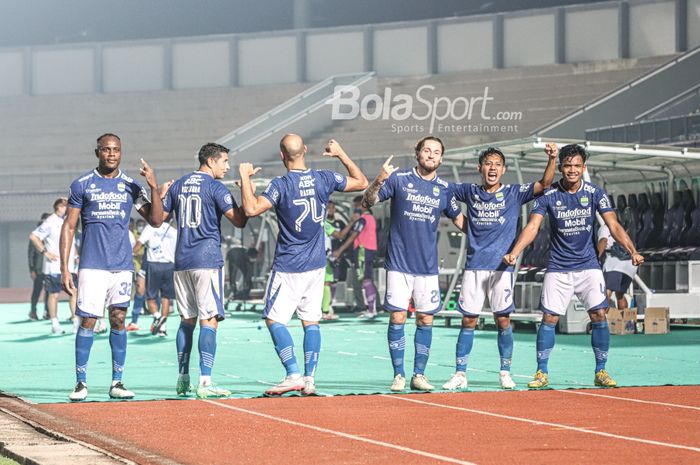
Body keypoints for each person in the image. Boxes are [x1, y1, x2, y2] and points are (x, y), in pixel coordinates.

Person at [503, 144, 644, 389]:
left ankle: (601, 371)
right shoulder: (548, 195)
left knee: (599, 314)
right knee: (549, 318)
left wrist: (632, 250)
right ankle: (541, 372)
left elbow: (613, 226)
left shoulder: (595, 193)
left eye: (577, 166)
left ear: (583, 168)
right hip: (558, 267)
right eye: (567, 166)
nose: (572, 170)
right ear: (560, 168)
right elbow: (533, 227)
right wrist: (515, 251)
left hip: (588, 266)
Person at [239, 135, 367, 396]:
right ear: (305, 150)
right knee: (311, 322)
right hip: (317, 263)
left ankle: (293, 374)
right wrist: (340, 153)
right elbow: (362, 183)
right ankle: (309, 379)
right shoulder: (324, 177)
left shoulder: (280, 184)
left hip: (289, 264)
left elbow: (251, 209)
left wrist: (245, 177)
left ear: (281, 155)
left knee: (274, 319)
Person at [442, 144, 557, 391]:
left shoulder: (514, 192)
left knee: (503, 320)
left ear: (503, 169)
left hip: (502, 268)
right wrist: (460, 219)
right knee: (468, 321)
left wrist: (552, 159)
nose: (492, 168)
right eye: (488, 164)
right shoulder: (469, 190)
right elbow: (441, 190)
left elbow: (544, 184)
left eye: (497, 164)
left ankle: (505, 371)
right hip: (474, 266)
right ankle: (460, 373)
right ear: (480, 168)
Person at [60, 133, 164, 402]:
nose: (111, 154)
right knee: (89, 321)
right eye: (106, 149)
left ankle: (117, 381)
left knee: (118, 318)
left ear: (121, 152)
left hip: (121, 265)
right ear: (97, 152)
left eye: (116, 149)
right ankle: (81, 382)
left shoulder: (130, 185)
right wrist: (64, 268)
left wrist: (153, 186)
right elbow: (69, 226)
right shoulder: (82, 184)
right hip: (92, 266)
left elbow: (155, 220)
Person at [362, 136, 464, 391]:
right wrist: (379, 179)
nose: (431, 155)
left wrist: (488, 237)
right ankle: (399, 374)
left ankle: (419, 375)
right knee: (398, 316)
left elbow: (461, 220)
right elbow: (368, 201)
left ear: (441, 158)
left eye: (436, 152)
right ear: (417, 154)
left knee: (425, 320)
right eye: (426, 150)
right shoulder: (399, 180)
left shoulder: (444, 189)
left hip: (427, 267)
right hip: (398, 264)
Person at [163, 142, 248, 398]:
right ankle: (206, 382)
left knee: (186, 320)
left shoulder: (178, 184)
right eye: (224, 161)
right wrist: (246, 191)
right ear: (211, 161)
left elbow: (161, 216)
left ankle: (182, 377)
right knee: (209, 320)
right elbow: (240, 220)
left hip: (181, 261)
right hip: (207, 260)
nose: (227, 166)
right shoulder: (214, 187)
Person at [30, 198, 80, 335]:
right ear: (58, 207)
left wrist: (75, 255)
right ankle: (55, 324)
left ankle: (76, 322)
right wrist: (45, 252)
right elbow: (34, 236)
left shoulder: (69, 219)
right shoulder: (50, 222)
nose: (67, 208)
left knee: (73, 293)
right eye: (65, 206)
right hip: (54, 266)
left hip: (70, 266)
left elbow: (71, 239)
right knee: (54, 294)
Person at [332, 196, 378, 318]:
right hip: (368, 251)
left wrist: (340, 250)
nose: (355, 209)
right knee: (366, 279)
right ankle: (371, 308)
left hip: (363, 251)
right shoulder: (371, 218)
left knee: (366, 280)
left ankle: (371, 309)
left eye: (357, 206)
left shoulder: (363, 219)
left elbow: (352, 236)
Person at [132, 216, 177, 336]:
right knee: (166, 297)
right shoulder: (174, 231)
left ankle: (157, 316)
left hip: (154, 265)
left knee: (150, 297)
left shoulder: (150, 228)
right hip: (170, 266)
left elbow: (138, 244)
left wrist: (131, 253)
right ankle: (163, 327)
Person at [597, 214, 638, 309]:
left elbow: (603, 241)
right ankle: (623, 322)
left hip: (614, 263)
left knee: (607, 292)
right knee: (619, 295)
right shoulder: (623, 228)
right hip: (629, 265)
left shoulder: (606, 227)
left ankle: (603, 321)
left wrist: (596, 257)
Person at [28, 213, 50, 321]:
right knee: (36, 291)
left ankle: (48, 311)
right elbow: (31, 255)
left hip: (49, 269)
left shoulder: (51, 239)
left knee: (49, 291)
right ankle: (33, 311)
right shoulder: (34, 239)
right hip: (39, 270)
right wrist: (32, 270)